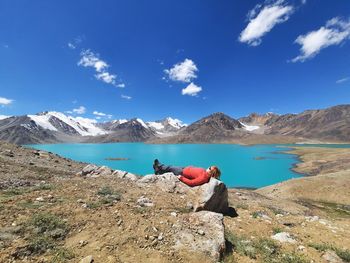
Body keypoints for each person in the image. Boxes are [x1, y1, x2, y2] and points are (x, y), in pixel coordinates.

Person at [152, 159, 221, 187]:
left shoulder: (203, 178)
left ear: (211, 173)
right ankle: (159, 171)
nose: (208, 167)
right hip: (184, 169)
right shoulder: (205, 174)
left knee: (170, 167)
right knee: (170, 169)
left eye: (209, 168)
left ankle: (158, 165)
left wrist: (181, 178)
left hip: (182, 173)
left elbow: (192, 183)